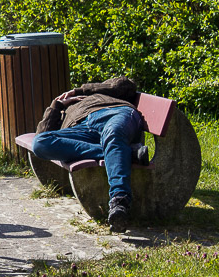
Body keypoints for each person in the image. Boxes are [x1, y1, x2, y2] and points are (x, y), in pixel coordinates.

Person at [31, 76, 149, 232]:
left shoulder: (100, 95)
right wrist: (56, 105)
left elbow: (125, 85)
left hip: (114, 114)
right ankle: (126, 152)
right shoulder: (63, 109)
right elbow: (42, 134)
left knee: (113, 135)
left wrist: (80, 91)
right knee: (39, 143)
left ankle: (119, 202)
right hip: (81, 128)